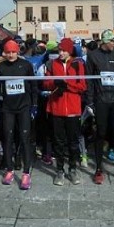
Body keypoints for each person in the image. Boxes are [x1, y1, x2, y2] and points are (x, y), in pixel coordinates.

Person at [85, 29, 114, 184]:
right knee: (101, 134)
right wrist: (90, 102)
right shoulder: (92, 56)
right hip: (101, 101)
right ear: (105, 41)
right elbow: (89, 81)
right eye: (112, 41)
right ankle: (98, 168)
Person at [0, 39, 39, 190]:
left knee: (25, 139)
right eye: (8, 52)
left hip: (24, 107)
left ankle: (26, 173)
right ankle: (10, 170)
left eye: (13, 52)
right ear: (4, 53)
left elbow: (33, 86)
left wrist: (34, 105)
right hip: (7, 108)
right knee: (8, 138)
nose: (11, 55)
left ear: (18, 52)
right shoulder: (1, 67)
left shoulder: (26, 65)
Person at [43, 38, 86, 185]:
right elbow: (46, 83)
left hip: (73, 109)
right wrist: (55, 83)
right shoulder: (52, 64)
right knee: (58, 142)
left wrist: (67, 84)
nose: (60, 53)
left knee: (73, 142)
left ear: (70, 51)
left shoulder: (77, 64)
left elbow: (82, 86)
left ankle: (73, 169)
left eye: (63, 50)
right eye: (59, 50)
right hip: (57, 108)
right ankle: (60, 170)